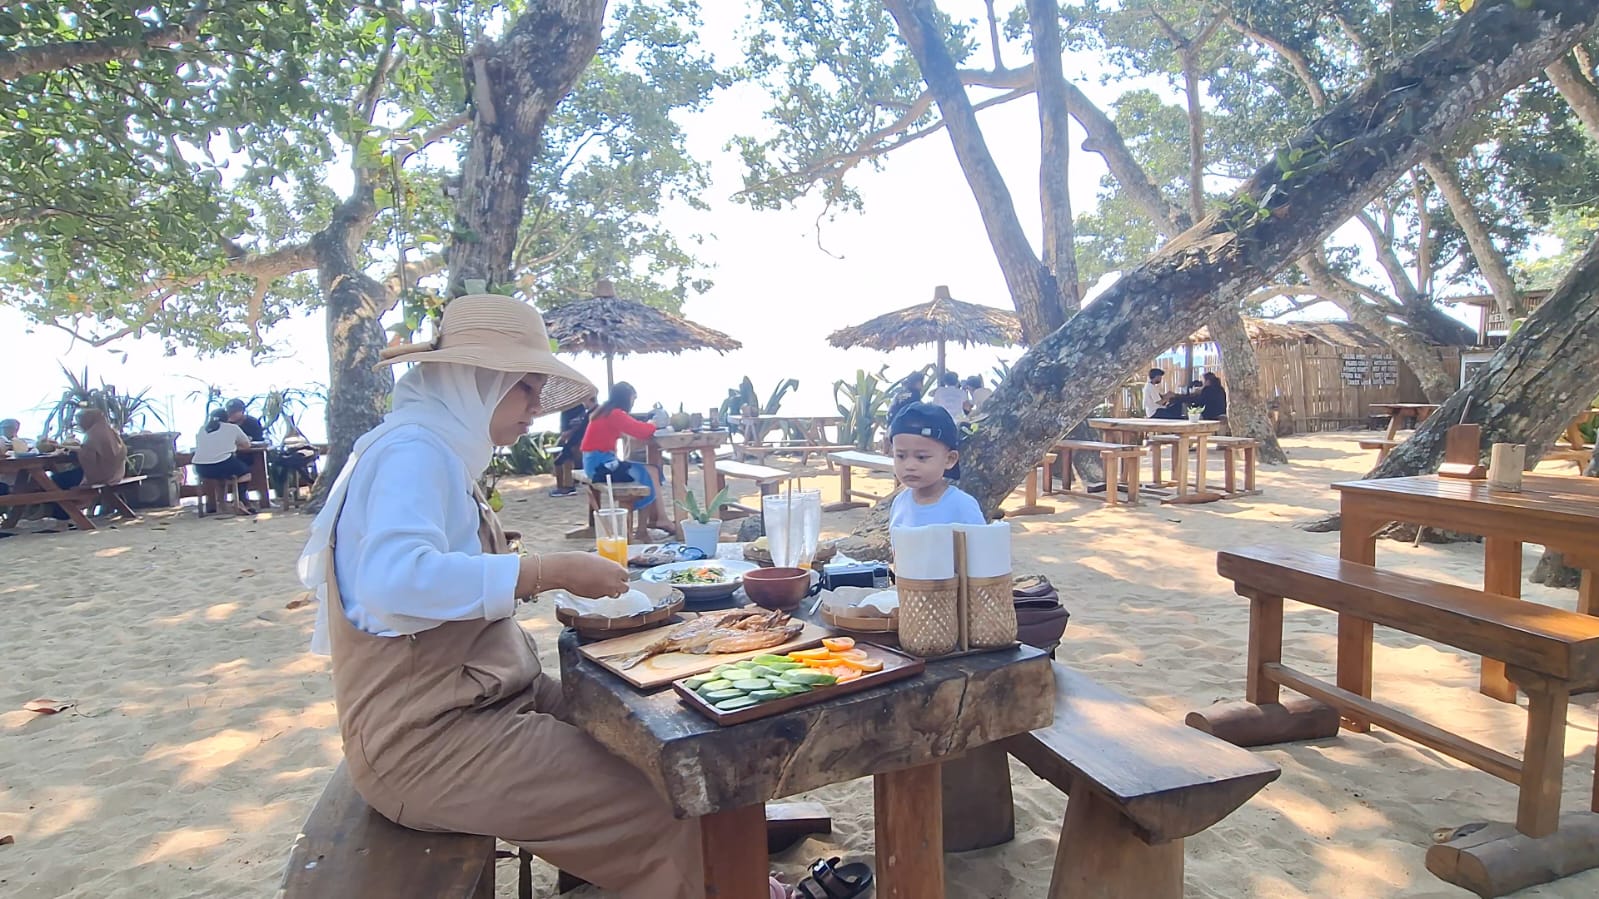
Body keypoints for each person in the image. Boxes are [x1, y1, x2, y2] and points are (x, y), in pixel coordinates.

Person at [295, 292, 769, 899]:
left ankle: (726, 878)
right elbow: (393, 580)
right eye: (525, 389)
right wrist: (546, 570)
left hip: (487, 701)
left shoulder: (435, 450)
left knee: (662, 746)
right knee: (658, 802)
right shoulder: (411, 455)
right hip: (429, 739)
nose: (536, 410)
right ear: (479, 381)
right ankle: (724, 883)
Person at [887, 402, 984, 529]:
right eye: (900, 456)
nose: (909, 466)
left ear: (949, 459)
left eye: (921, 457)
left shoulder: (962, 505)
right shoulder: (899, 503)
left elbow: (981, 546)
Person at [579, 382, 663, 524]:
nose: (633, 403)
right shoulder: (615, 414)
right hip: (601, 465)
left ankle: (656, 520)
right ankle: (647, 526)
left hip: (593, 462)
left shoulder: (604, 411)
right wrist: (654, 424)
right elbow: (641, 432)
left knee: (650, 471)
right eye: (633, 399)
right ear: (626, 398)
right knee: (650, 473)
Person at [194, 408, 256, 512]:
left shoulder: (202, 429)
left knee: (221, 477)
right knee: (246, 474)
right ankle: (239, 499)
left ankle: (221, 503)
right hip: (222, 464)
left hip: (200, 468)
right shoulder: (232, 428)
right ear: (226, 418)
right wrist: (234, 446)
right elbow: (247, 445)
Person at [549, 390, 597, 497]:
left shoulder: (587, 411)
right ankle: (567, 484)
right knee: (562, 457)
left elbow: (579, 430)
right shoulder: (588, 411)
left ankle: (567, 487)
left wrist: (570, 434)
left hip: (580, 442)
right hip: (577, 441)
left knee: (563, 459)